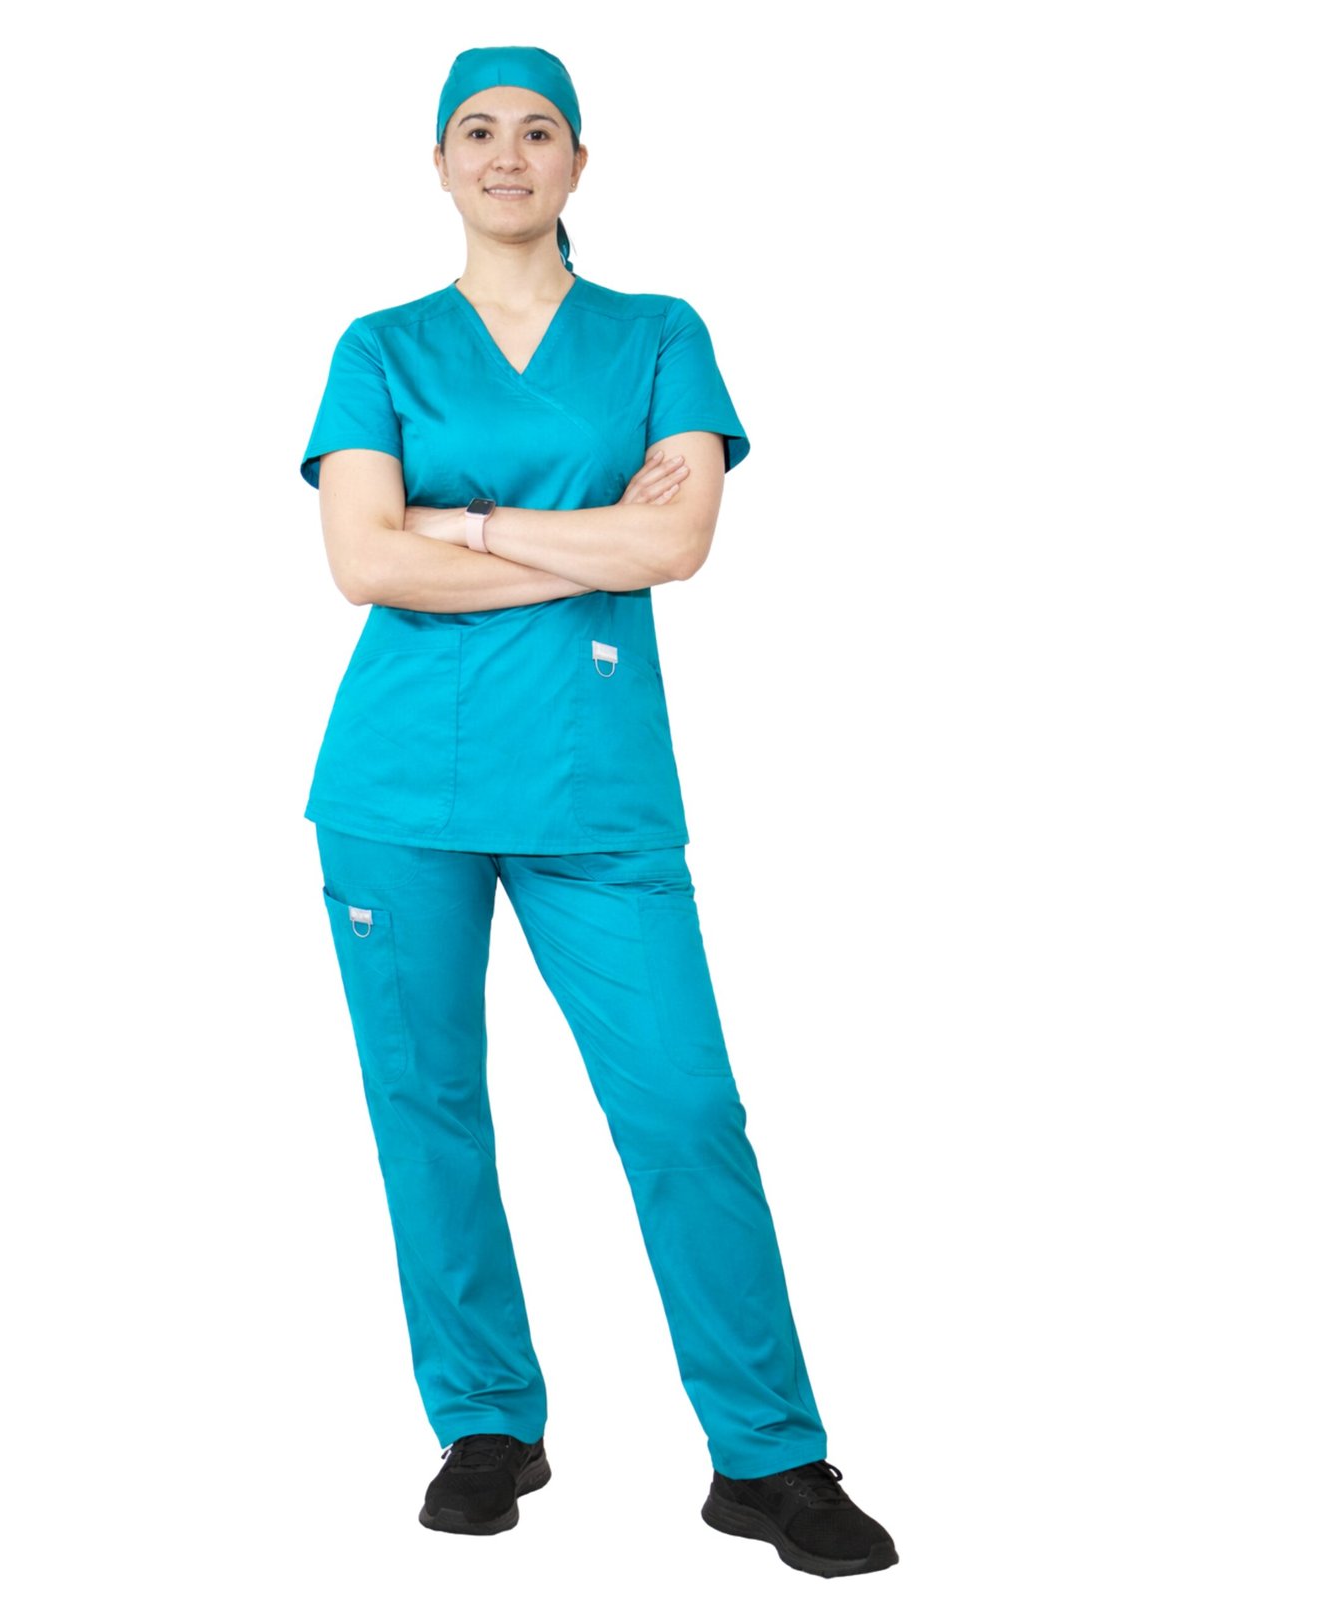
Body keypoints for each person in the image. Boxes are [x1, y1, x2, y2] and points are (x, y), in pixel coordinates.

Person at [298, 44, 898, 1580]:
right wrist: (581, 536)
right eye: (477, 131)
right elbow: (364, 562)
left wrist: (465, 524)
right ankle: (487, 1424)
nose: (507, 154)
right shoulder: (380, 345)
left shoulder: (656, 335)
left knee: (685, 1110)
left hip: (597, 791)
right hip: (395, 789)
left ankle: (768, 1457)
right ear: (440, 163)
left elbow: (676, 545)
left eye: (537, 131)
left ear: (579, 160)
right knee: (428, 1107)